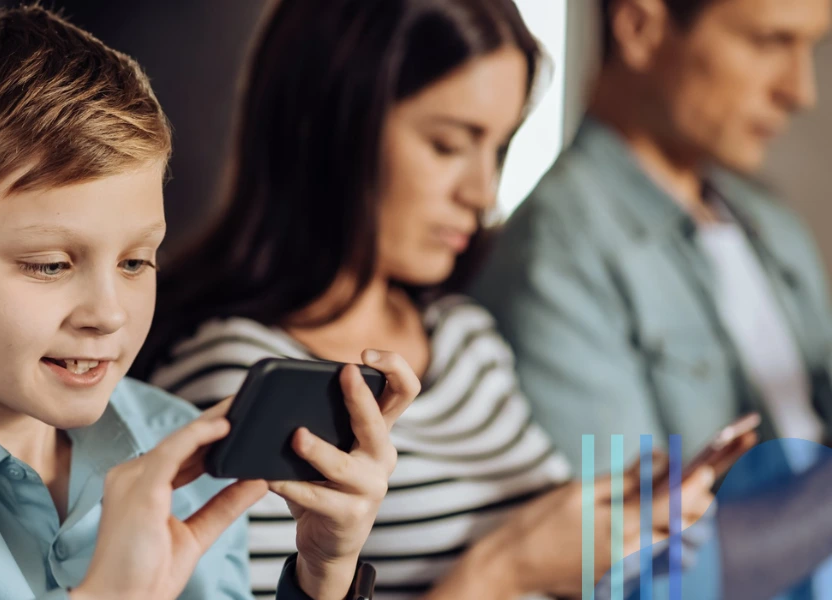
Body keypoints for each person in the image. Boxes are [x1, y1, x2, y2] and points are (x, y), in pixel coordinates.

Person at [0, 5, 418, 599]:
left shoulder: (176, 448)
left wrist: (324, 573)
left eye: (136, 261)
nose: (109, 313)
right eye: (51, 264)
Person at [134, 1, 717, 598]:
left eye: (498, 148)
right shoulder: (238, 379)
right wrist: (503, 570)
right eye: (447, 145)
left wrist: (609, 520)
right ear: (337, 126)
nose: (483, 193)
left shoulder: (464, 335)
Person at [471, 0, 832, 473]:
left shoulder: (772, 222)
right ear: (641, 28)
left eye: (810, 47)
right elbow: (631, 539)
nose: (800, 92)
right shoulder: (555, 256)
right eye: (769, 42)